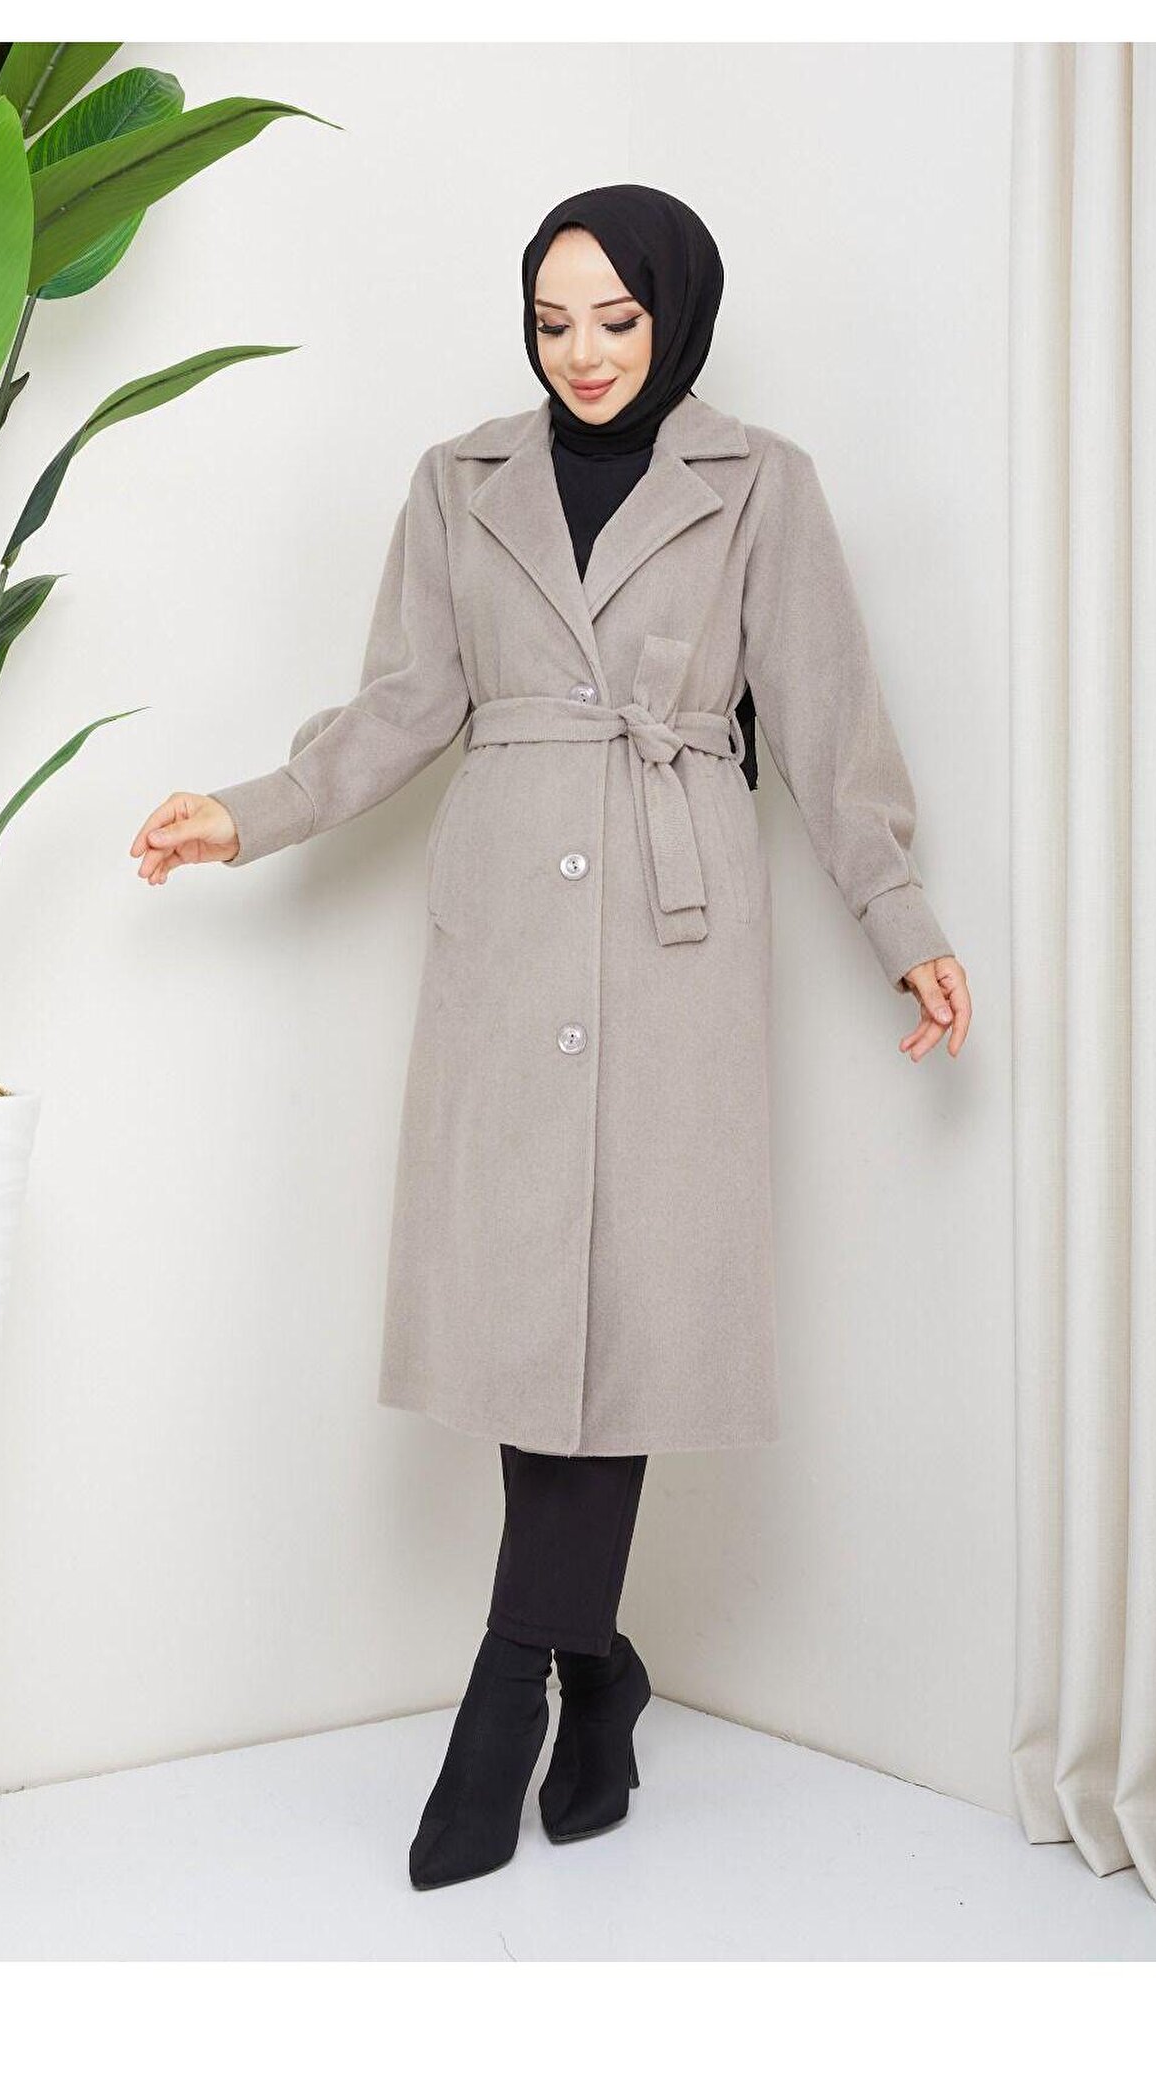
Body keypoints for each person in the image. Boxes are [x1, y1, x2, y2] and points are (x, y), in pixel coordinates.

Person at [129, 183, 973, 1895]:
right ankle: (602, 1678)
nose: (582, 353)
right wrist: (247, 812)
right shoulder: (459, 482)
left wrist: (904, 923)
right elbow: (402, 707)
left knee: (626, 1303)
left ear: (677, 314)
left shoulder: (764, 484)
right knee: (536, 1311)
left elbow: (830, 729)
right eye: (551, 320)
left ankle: (506, 1695)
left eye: (616, 319)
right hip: (508, 931)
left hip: (674, 936)